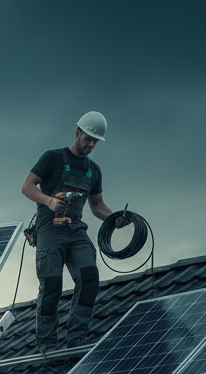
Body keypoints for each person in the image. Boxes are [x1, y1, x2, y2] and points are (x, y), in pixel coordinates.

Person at [21, 111, 128, 350]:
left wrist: (114, 219)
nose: (91, 144)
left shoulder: (94, 170)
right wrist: (48, 201)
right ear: (77, 132)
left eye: (95, 141)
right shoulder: (53, 158)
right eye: (88, 138)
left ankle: (77, 336)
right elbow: (27, 187)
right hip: (50, 228)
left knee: (89, 275)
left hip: (76, 229)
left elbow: (97, 206)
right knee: (52, 284)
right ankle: (47, 342)